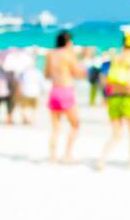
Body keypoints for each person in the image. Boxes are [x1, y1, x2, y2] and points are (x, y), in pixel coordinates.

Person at [99, 33, 130, 170]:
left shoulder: (115, 58)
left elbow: (105, 80)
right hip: (127, 98)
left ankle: (102, 159)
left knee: (116, 133)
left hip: (113, 98)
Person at [46, 30, 85, 163]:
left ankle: (52, 157)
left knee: (55, 128)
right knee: (75, 125)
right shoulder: (69, 55)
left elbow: (47, 74)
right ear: (68, 42)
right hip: (66, 91)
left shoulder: (50, 54)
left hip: (54, 91)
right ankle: (67, 155)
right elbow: (78, 73)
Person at [18, 57, 43, 125]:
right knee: (34, 109)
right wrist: (41, 93)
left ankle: (27, 120)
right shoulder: (38, 72)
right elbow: (41, 84)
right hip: (36, 92)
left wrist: (19, 92)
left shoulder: (24, 72)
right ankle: (31, 121)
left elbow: (21, 83)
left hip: (26, 92)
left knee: (24, 108)